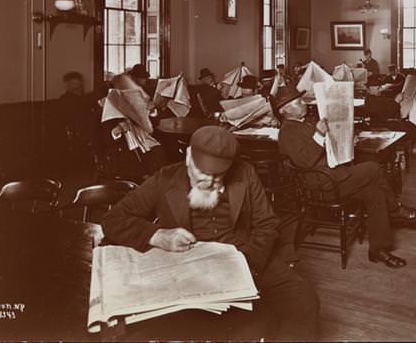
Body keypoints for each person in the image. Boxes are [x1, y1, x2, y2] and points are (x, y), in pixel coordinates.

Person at [102, 126, 319, 340]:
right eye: (201, 173)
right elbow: (113, 220)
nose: (208, 181)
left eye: (218, 177)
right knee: (223, 326)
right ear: (188, 157)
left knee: (303, 301)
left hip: (245, 256)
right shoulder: (165, 178)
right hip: (188, 263)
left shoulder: (245, 172)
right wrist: (158, 235)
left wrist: (250, 264)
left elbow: (267, 223)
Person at [272, 86, 416, 269]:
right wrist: (319, 134)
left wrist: (346, 140)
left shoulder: (307, 122)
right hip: (322, 186)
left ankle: (379, 250)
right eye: (297, 101)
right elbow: (305, 161)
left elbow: (328, 146)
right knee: (374, 168)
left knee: (375, 193)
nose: (303, 103)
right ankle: (395, 209)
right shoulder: (287, 132)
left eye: (301, 99)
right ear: (284, 111)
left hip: (335, 176)